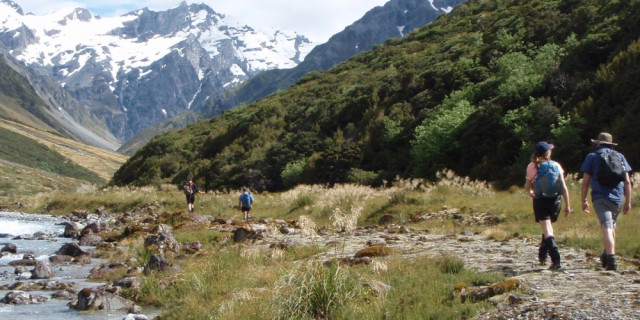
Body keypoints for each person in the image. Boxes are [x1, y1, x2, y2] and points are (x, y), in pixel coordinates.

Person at [580, 132, 632, 271]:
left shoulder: (592, 157)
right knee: (612, 225)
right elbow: (627, 181)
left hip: (600, 196)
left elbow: (585, 181)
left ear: (598, 143)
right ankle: (606, 253)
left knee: (607, 226)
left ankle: (612, 260)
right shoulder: (620, 157)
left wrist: (584, 199)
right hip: (618, 197)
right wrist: (628, 202)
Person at [524, 141, 572, 270]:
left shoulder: (532, 166)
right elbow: (563, 186)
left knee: (547, 231)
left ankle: (556, 258)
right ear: (548, 153)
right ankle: (542, 255)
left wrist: (530, 192)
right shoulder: (556, 165)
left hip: (540, 200)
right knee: (548, 229)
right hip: (555, 201)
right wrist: (568, 205)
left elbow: (528, 186)